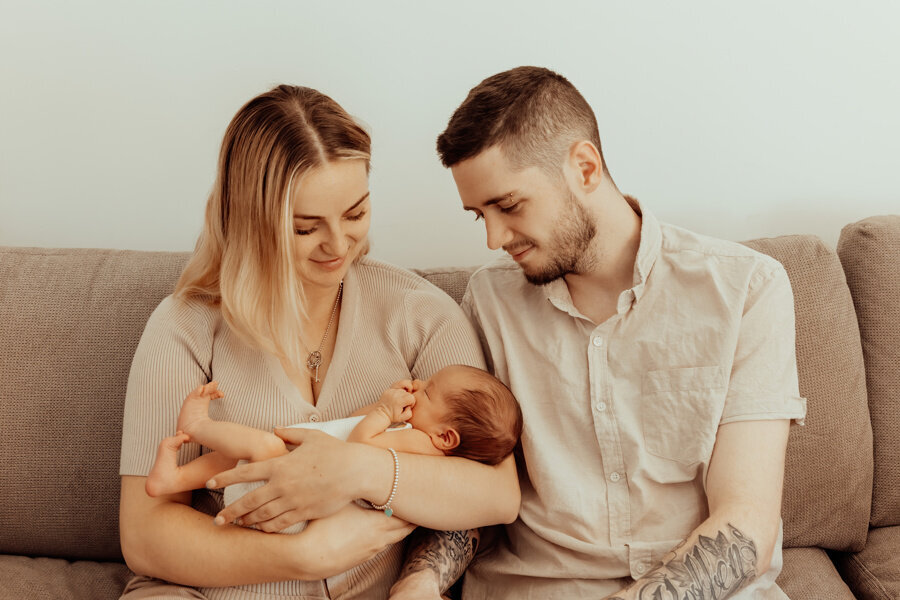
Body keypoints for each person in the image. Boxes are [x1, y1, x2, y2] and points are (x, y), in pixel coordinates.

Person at [390, 66, 809, 598]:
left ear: (584, 168)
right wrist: (420, 581)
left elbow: (746, 526)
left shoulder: (747, 288)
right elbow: (471, 479)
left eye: (509, 205)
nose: (494, 238)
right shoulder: (490, 301)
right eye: (479, 215)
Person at [118, 84, 520, 600]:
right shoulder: (185, 326)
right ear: (250, 221)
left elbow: (494, 493)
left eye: (355, 214)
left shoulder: (421, 314)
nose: (338, 245)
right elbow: (145, 535)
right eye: (305, 228)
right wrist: (305, 555)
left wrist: (362, 472)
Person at [145, 365, 522, 506]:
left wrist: (383, 412)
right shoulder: (412, 433)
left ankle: (197, 426)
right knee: (240, 455)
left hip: (290, 492)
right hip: (297, 473)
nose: (418, 383)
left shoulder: (420, 444)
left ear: (446, 438)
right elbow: (352, 423)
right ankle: (174, 479)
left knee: (262, 445)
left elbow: (359, 449)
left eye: (428, 391)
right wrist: (382, 408)